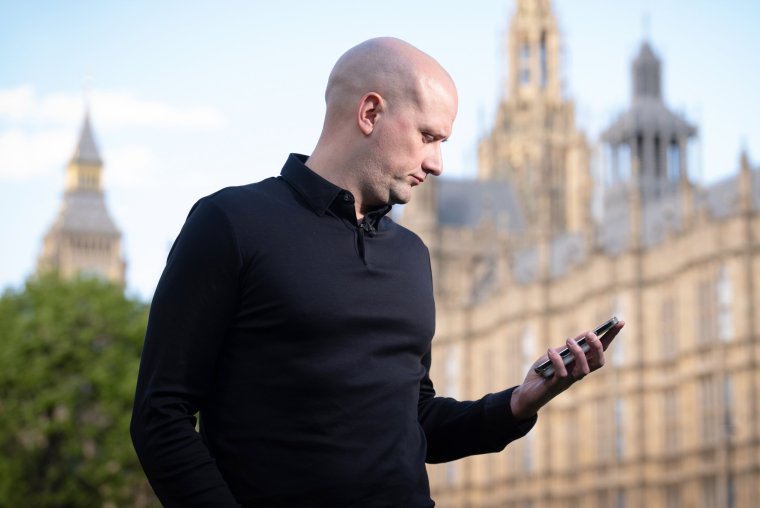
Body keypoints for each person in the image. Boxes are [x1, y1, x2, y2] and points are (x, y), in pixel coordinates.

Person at [130, 37, 624, 507]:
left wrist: (519, 402)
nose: (437, 163)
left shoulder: (411, 255)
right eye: (428, 136)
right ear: (370, 112)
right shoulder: (231, 223)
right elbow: (161, 417)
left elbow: (416, 420)